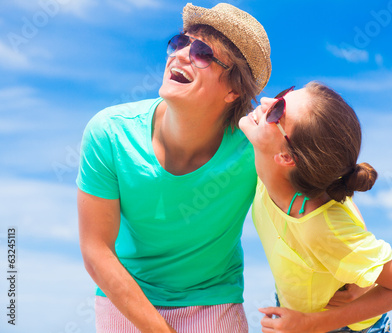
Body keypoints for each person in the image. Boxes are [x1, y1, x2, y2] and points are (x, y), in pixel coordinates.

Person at [76, 3, 272, 332]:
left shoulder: (253, 148)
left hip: (214, 300)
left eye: (202, 53)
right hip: (126, 298)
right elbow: (97, 250)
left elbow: (313, 189)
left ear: (233, 90)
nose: (179, 55)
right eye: (179, 43)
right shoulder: (109, 133)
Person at [238, 82, 392, 333]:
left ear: (287, 157)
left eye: (277, 111)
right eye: (283, 95)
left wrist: (310, 324)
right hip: (299, 312)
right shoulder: (270, 169)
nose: (266, 101)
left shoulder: (321, 224)